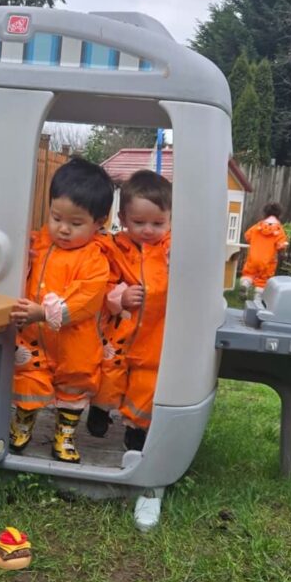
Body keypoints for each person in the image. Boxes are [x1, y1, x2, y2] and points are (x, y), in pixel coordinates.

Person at [9, 157, 113, 463]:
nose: (63, 229)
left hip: (75, 342)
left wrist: (43, 313)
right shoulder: (38, 244)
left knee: (74, 388)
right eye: (56, 217)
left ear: (99, 222)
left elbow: (86, 299)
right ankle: (22, 423)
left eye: (76, 223)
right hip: (33, 339)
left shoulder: (95, 259)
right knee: (29, 379)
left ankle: (65, 436)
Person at [86, 169, 172, 452]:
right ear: (122, 219)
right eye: (139, 222)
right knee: (109, 374)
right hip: (120, 331)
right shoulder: (114, 249)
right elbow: (103, 283)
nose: (148, 230)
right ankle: (101, 409)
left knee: (145, 384)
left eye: (158, 223)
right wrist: (120, 297)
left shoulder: (170, 250)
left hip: (153, 335)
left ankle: (136, 428)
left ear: (170, 220)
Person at [239, 201, 288, 299]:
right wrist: (283, 253)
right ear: (279, 214)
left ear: (264, 213)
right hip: (267, 261)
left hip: (253, 258)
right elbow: (281, 246)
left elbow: (247, 236)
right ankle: (257, 298)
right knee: (263, 280)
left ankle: (245, 284)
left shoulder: (257, 227)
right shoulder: (279, 230)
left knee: (249, 274)